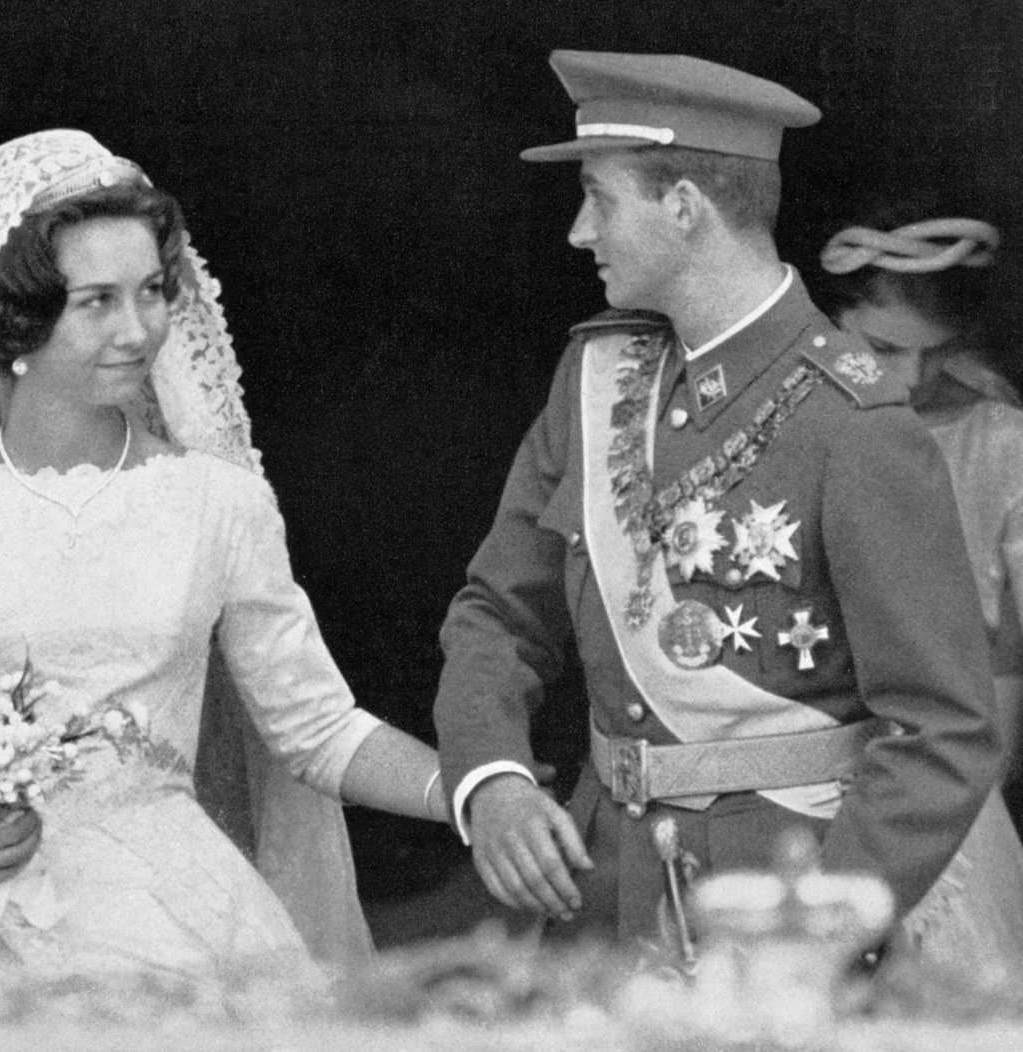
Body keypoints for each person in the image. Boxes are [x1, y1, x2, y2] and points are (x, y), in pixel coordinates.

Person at [0, 130, 447, 1022]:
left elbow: (314, 729)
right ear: (17, 326)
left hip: (185, 916)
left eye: (153, 291)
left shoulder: (216, 503)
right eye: (97, 302)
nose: (139, 329)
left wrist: (471, 793)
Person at [433, 51, 1002, 956]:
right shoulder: (594, 375)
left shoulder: (852, 422)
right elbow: (498, 612)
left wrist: (811, 933)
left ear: (685, 206)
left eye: (600, 198)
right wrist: (493, 778)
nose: (581, 232)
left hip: (779, 899)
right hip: (601, 888)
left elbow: (943, 731)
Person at [816, 207, 1023, 967]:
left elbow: (1005, 666)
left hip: (934, 780)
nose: (905, 378)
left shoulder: (999, 443)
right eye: (880, 348)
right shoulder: (796, 425)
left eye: (933, 354)